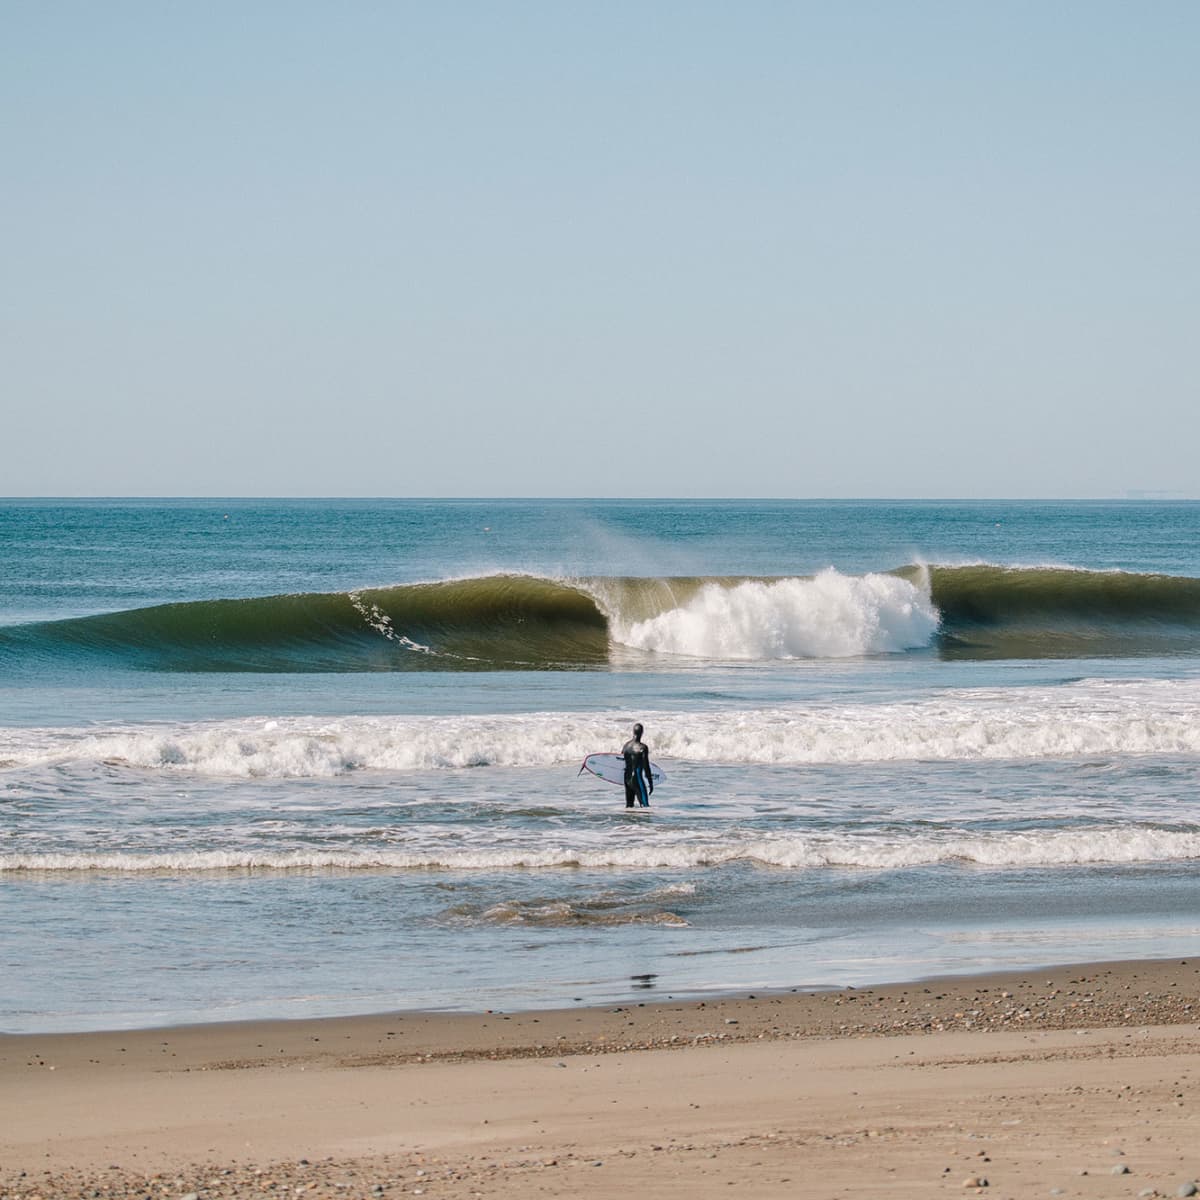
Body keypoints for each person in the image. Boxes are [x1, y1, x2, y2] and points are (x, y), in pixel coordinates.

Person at [621, 722, 654, 808]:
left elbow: (621, 761)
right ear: (642, 733)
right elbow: (646, 766)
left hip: (626, 779)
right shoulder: (642, 748)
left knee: (629, 806)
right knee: (645, 807)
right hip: (637, 779)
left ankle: (629, 821)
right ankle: (644, 822)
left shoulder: (625, 746)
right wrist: (650, 782)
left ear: (633, 732)